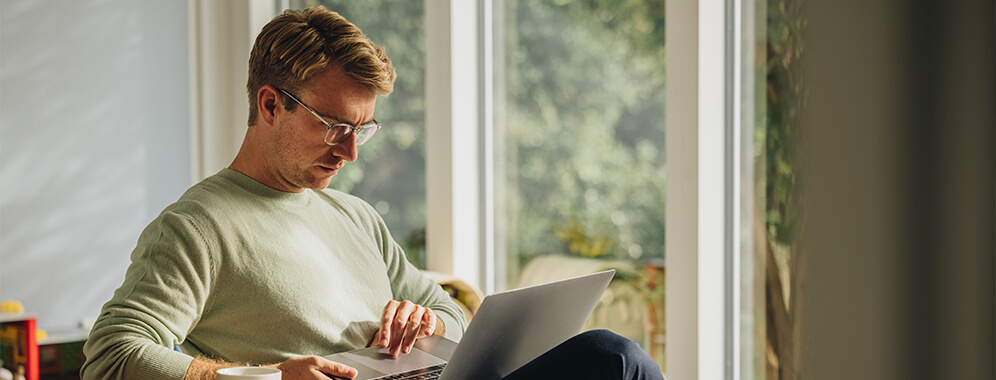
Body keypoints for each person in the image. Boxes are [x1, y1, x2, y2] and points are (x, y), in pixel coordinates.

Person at [81, 7, 664, 380]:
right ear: (269, 104)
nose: (351, 150)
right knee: (614, 360)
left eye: (363, 129)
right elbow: (112, 354)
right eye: (335, 126)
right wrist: (267, 379)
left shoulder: (354, 216)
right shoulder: (197, 226)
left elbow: (451, 315)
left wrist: (427, 322)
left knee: (613, 359)